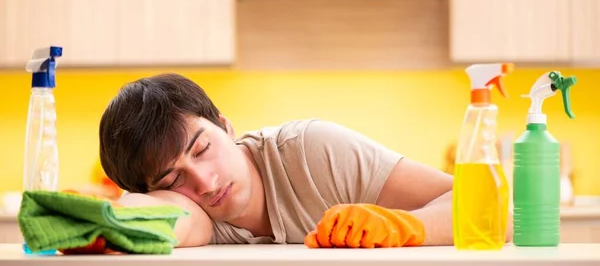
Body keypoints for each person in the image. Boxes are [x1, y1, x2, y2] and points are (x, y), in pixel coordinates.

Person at [99, 73, 513, 248]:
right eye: (173, 179)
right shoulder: (197, 213)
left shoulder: (313, 151)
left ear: (225, 127)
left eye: (203, 149)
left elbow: (496, 212)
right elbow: (150, 215)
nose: (205, 183)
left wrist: (404, 227)